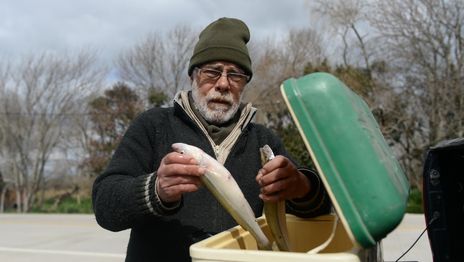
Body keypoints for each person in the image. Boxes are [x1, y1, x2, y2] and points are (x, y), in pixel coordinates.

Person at [92, 17, 331, 262]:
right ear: (193, 76)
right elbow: (105, 206)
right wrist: (156, 189)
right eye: (212, 72)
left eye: (235, 75)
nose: (223, 84)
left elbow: (321, 211)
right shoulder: (153, 125)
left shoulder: (264, 140)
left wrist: (301, 186)